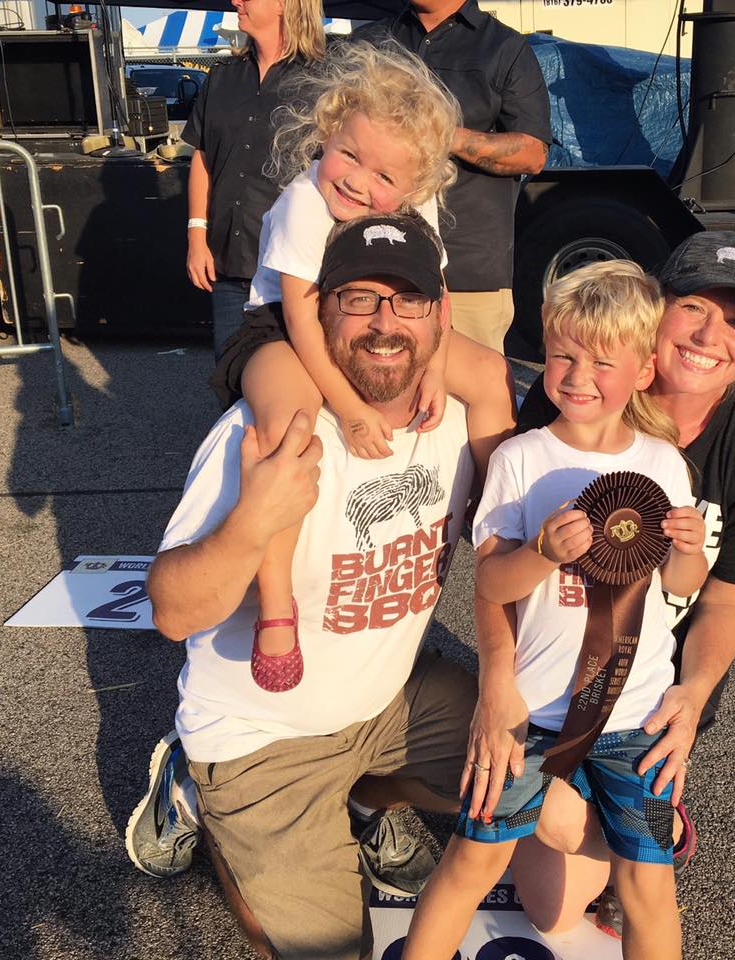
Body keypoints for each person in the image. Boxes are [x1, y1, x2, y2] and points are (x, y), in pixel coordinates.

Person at [129, 213, 510, 960]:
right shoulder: (270, 430)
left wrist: (724, 409)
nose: (384, 323)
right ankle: (192, 784)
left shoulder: (463, 417)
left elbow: (597, 397)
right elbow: (172, 610)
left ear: (442, 316)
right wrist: (248, 525)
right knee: (335, 951)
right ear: (319, 314)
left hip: (389, 704)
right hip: (260, 740)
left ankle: (368, 797)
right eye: (359, 299)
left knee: (555, 803)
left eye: (407, 302)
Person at [465, 231, 735, 939]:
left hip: (644, 703)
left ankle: (635, 820)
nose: (712, 335)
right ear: (656, 309)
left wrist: (692, 696)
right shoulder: (560, 414)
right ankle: (593, 815)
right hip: (545, 693)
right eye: (695, 307)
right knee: (546, 908)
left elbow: (728, 598)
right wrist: (495, 682)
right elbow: (494, 577)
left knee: (576, 905)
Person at [402, 261, 708, 960]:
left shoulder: (663, 464)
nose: (576, 375)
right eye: (563, 355)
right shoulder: (518, 458)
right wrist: (541, 552)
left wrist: (688, 547)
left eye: (603, 360)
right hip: (531, 715)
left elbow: (681, 583)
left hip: (635, 714)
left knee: (647, 885)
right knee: (472, 865)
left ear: (641, 370)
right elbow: (492, 584)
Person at [209, 41, 515, 692]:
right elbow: (298, 315)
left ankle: (503, 522)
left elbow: (436, 293)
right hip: (285, 327)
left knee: (489, 376)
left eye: (384, 179)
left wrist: (433, 366)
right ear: (328, 131)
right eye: (349, 155)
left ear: (417, 183)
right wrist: (346, 410)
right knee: (288, 424)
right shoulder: (304, 203)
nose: (358, 182)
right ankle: (276, 603)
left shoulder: (418, 200)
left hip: (387, 312)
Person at [353, 0, 551, 353]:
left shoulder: (504, 48)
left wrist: (444, 134)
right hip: (378, 260)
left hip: (468, 273)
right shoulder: (371, 41)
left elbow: (532, 154)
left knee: (469, 397)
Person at [183, 0, 325, 358]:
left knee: (294, 386)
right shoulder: (222, 78)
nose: (236, 2)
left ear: (283, 5)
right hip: (229, 263)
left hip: (297, 269)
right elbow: (202, 157)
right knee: (230, 379)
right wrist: (196, 235)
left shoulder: (324, 78)